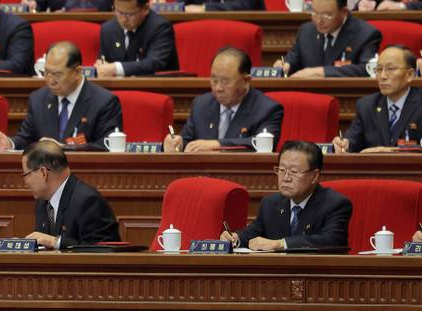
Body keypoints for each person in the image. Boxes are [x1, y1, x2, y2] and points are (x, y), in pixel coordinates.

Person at [0, 41, 121, 151]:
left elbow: (107, 145)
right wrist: (9, 143)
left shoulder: (104, 101)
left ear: (77, 72)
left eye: (57, 74)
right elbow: (26, 138)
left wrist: (66, 148)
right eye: (46, 72)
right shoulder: (38, 99)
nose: (50, 80)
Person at [221, 140, 352, 250]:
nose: (286, 178)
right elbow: (251, 234)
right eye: (282, 170)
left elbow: (331, 240)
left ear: (314, 176)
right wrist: (235, 238)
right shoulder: (270, 203)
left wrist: (279, 244)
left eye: (294, 172)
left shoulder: (335, 204)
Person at [165, 47, 282, 153]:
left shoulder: (267, 110)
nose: (218, 88)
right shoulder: (201, 105)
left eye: (225, 82)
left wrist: (218, 145)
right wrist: (177, 144)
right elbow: (187, 141)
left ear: (246, 81)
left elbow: (262, 144)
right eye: (214, 80)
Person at [21, 140, 120, 249]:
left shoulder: (89, 201)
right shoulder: (43, 203)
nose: (25, 182)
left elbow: (104, 251)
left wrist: (55, 242)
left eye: (26, 175)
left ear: (43, 173)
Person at [275, 0, 381, 78]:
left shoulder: (366, 35)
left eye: (326, 16)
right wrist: (285, 65)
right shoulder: (306, 31)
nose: (318, 21)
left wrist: (321, 72)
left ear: (344, 12)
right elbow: (291, 61)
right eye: (314, 13)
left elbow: (367, 69)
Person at [334, 45, 422, 153]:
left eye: (390, 69)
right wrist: (343, 144)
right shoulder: (366, 105)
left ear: (410, 74)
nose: (383, 76)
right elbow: (353, 141)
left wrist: (390, 151)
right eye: (379, 69)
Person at [95, 0, 178, 77]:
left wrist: (116, 68)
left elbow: (154, 63)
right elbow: (104, 61)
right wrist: (101, 66)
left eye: (129, 14)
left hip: (154, 85)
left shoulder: (160, 28)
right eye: (119, 12)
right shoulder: (108, 29)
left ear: (146, 8)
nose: (123, 19)